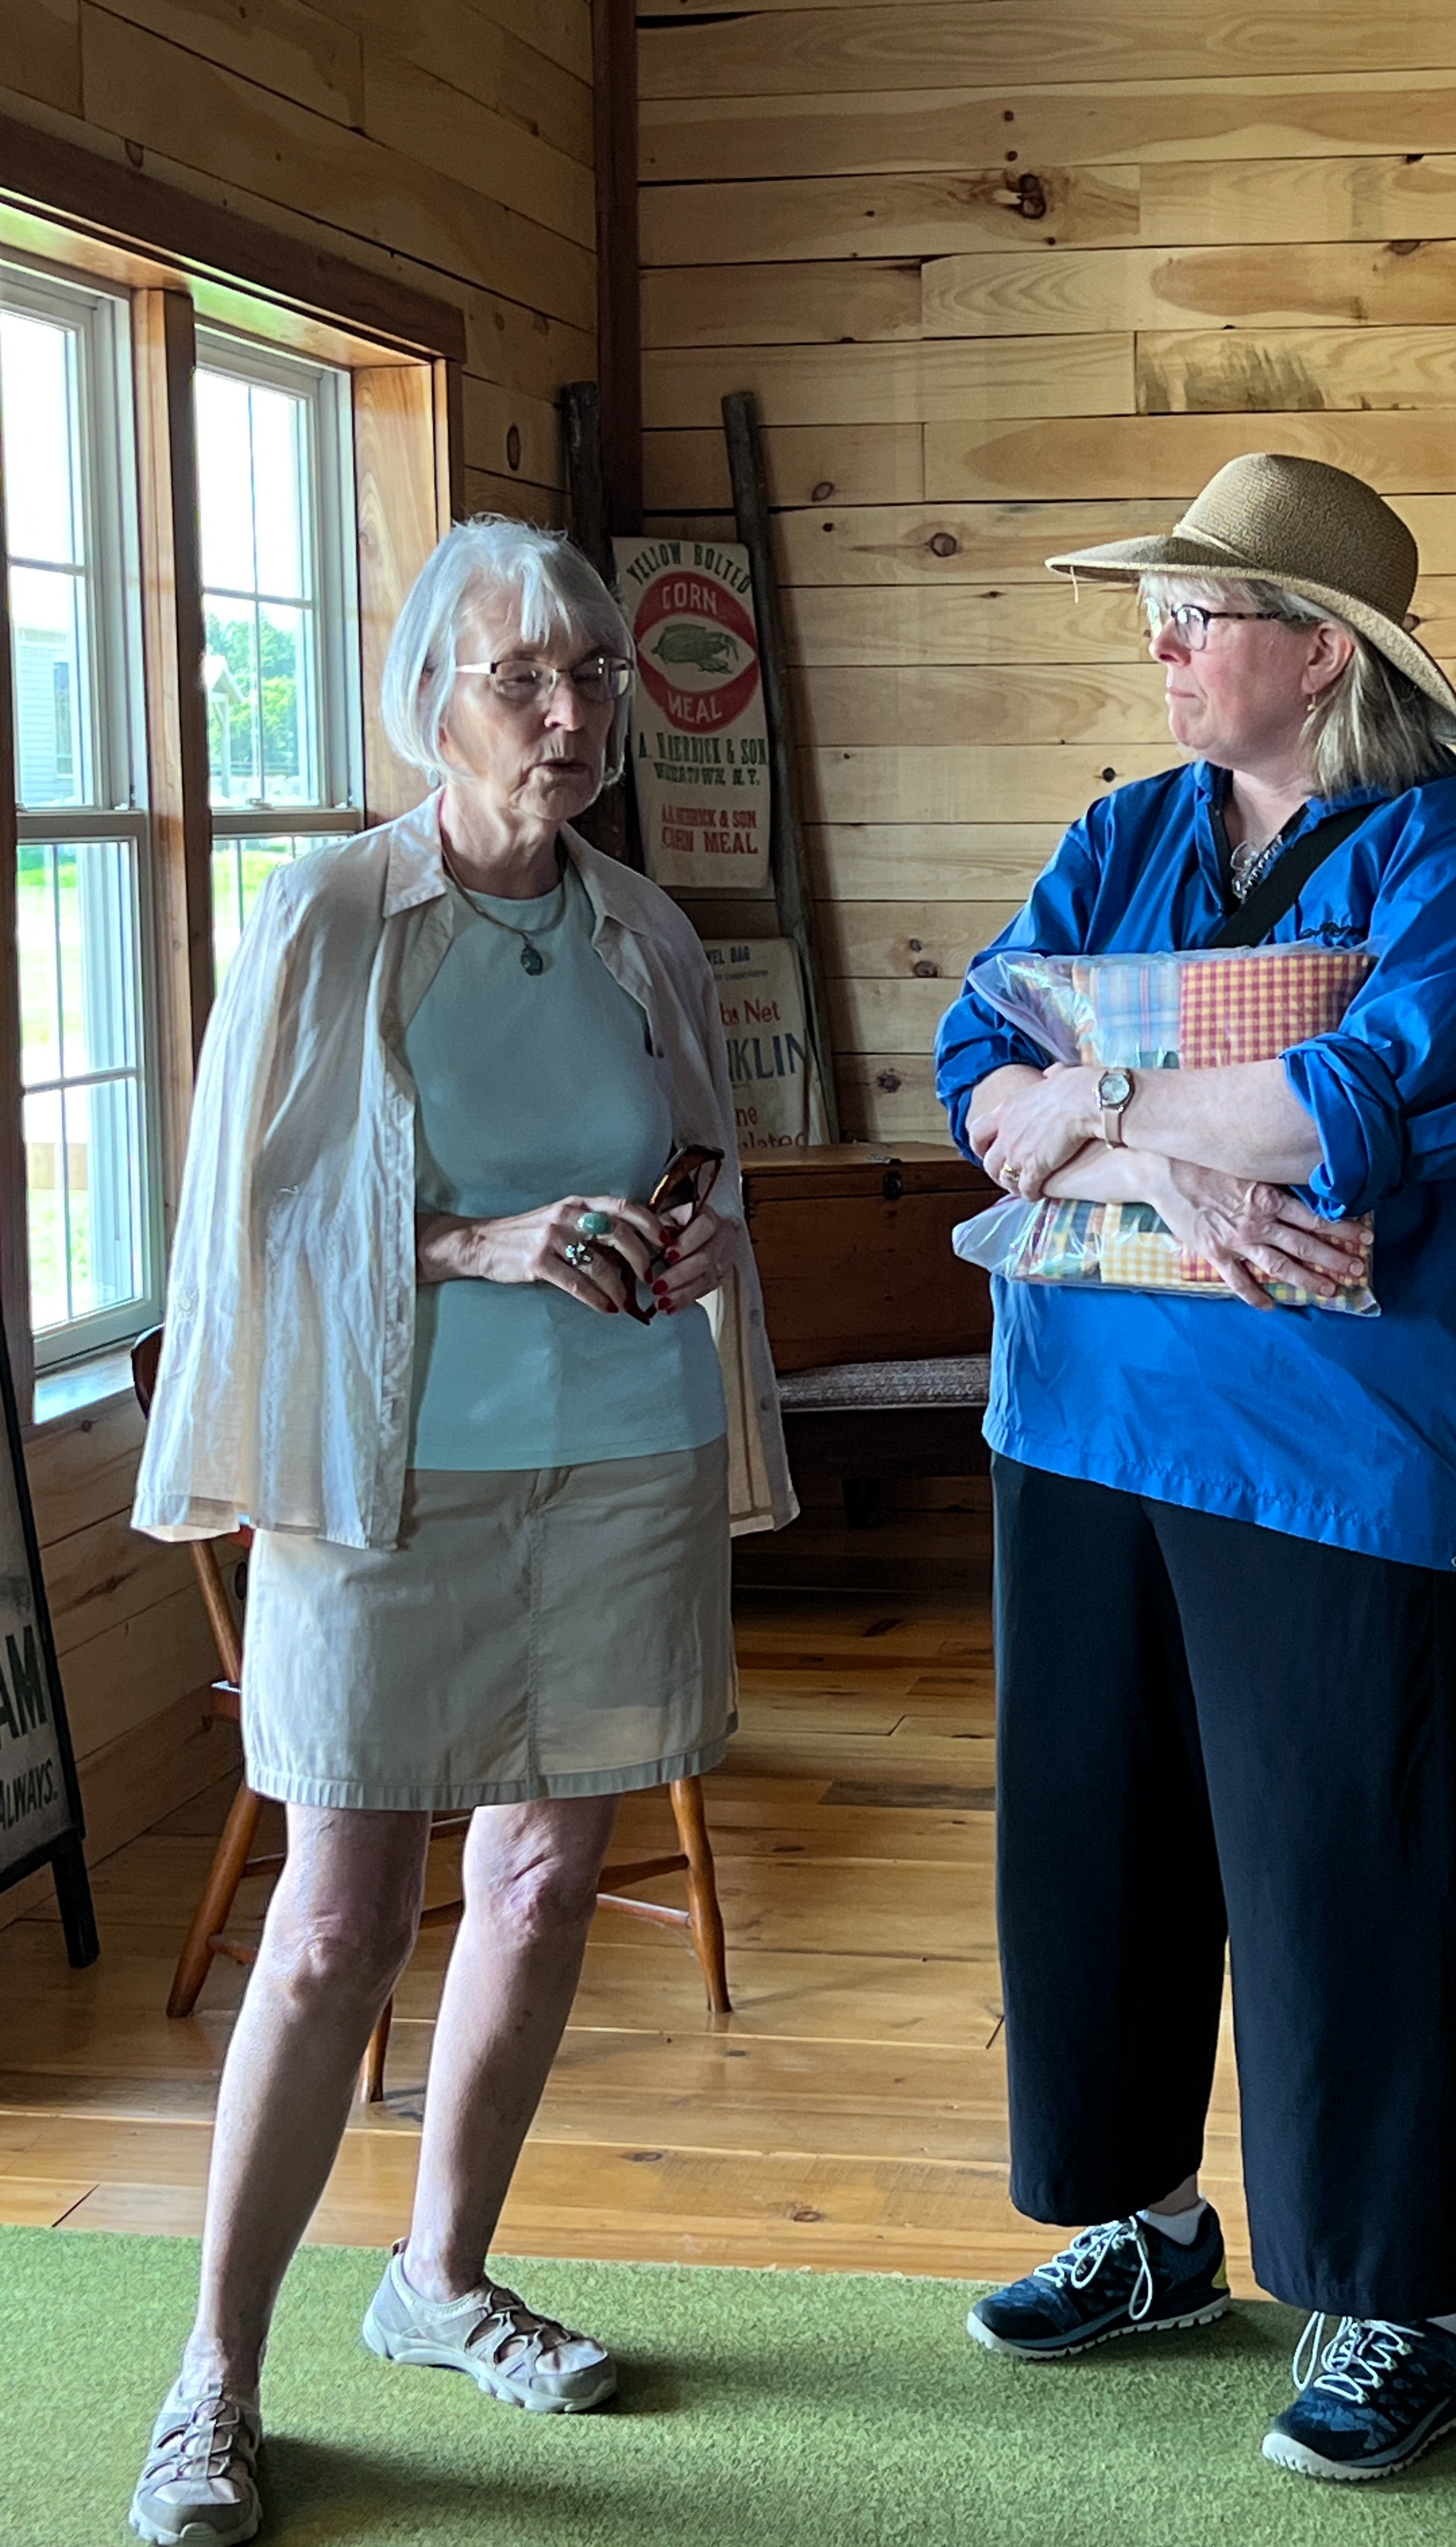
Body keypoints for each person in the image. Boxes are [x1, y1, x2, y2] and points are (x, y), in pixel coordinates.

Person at [127, 517, 791, 2546]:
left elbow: (709, 1174)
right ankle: (214, 2381)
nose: (575, 712)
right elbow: (248, 1240)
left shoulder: (641, 932)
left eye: (596, 672)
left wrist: (690, 1242)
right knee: (333, 1924)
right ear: (433, 694)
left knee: (545, 1888)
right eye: (526, 676)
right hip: (386, 1474)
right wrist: (485, 1241)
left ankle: (440, 2280)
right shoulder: (334, 916)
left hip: (623, 1464)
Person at [935, 454, 1456, 2482]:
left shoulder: (1444, 857)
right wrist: (1142, 1135)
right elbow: (972, 1062)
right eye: (1164, 608)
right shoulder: (1122, 838)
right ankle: (1145, 2230)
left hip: (1333, 1446)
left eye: (1201, 612)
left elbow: (1352, 1101)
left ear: (1323, 650)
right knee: (1093, 1852)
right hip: (1085, 1418)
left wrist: (1095, 1102)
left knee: (1338, 1870)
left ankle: (1397, 2300)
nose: (1164, 638)